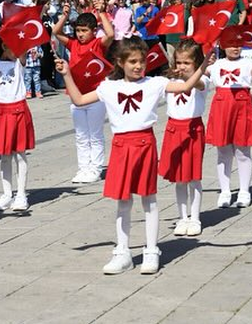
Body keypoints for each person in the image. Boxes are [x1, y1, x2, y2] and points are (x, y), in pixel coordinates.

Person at [57, 38, 206, 275]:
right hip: (120, 147)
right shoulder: (108, 87)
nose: (138, 66)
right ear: (120, 62)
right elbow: (80, 100)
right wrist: (66, 74)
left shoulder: (154, 83)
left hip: (144, 144)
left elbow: (186, 86)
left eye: (142, 61)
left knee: (149, 199)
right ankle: (122, 252)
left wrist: (204, 65)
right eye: (133, 61)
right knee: (123, 201)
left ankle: (151, 250)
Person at [53, 7, 116, 184]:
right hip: (76, 94)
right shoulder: (73, 44)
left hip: (95, 95)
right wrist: (64, 16)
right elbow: (56, 32)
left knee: (95, 134)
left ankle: (95, 168)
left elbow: (110, 34)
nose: (80, 34)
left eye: (84, 30)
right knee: (81, 135)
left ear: (94, 30)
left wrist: (102, 13)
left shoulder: (97, 43)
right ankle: (83, 167)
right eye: (78, 30)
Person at [207, 35, 252, 208]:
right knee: (223, 151)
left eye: (238, 45)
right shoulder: (216, 65)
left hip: (242, 106)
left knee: (243, 151)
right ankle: (225, 191)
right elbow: (195, 75)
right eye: (231, 44)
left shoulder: (248, 63)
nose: (235, 48)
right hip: (221, 107)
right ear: (223, 46)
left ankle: (244, 191)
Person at [161, 39, 210, 237]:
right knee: (179, 179)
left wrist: (193, 73)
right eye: (179, 62)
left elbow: (196, 83)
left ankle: (195, 218)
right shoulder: (169, 81)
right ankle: (182, 217)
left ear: (196, 63)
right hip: (173, 129)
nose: (182, 66)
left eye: (187, 63)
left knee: (193, 177)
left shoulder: (203, 79)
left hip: (192, 130)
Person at [0, 41, 36, 212]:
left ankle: (21, 194)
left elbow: (24, 49)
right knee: (4, 156)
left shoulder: (19, 62)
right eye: (14, 47)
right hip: (1, 111)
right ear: (4, 47)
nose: (18, 51)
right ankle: (7, 194)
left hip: (18, 108)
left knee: (20, 153)